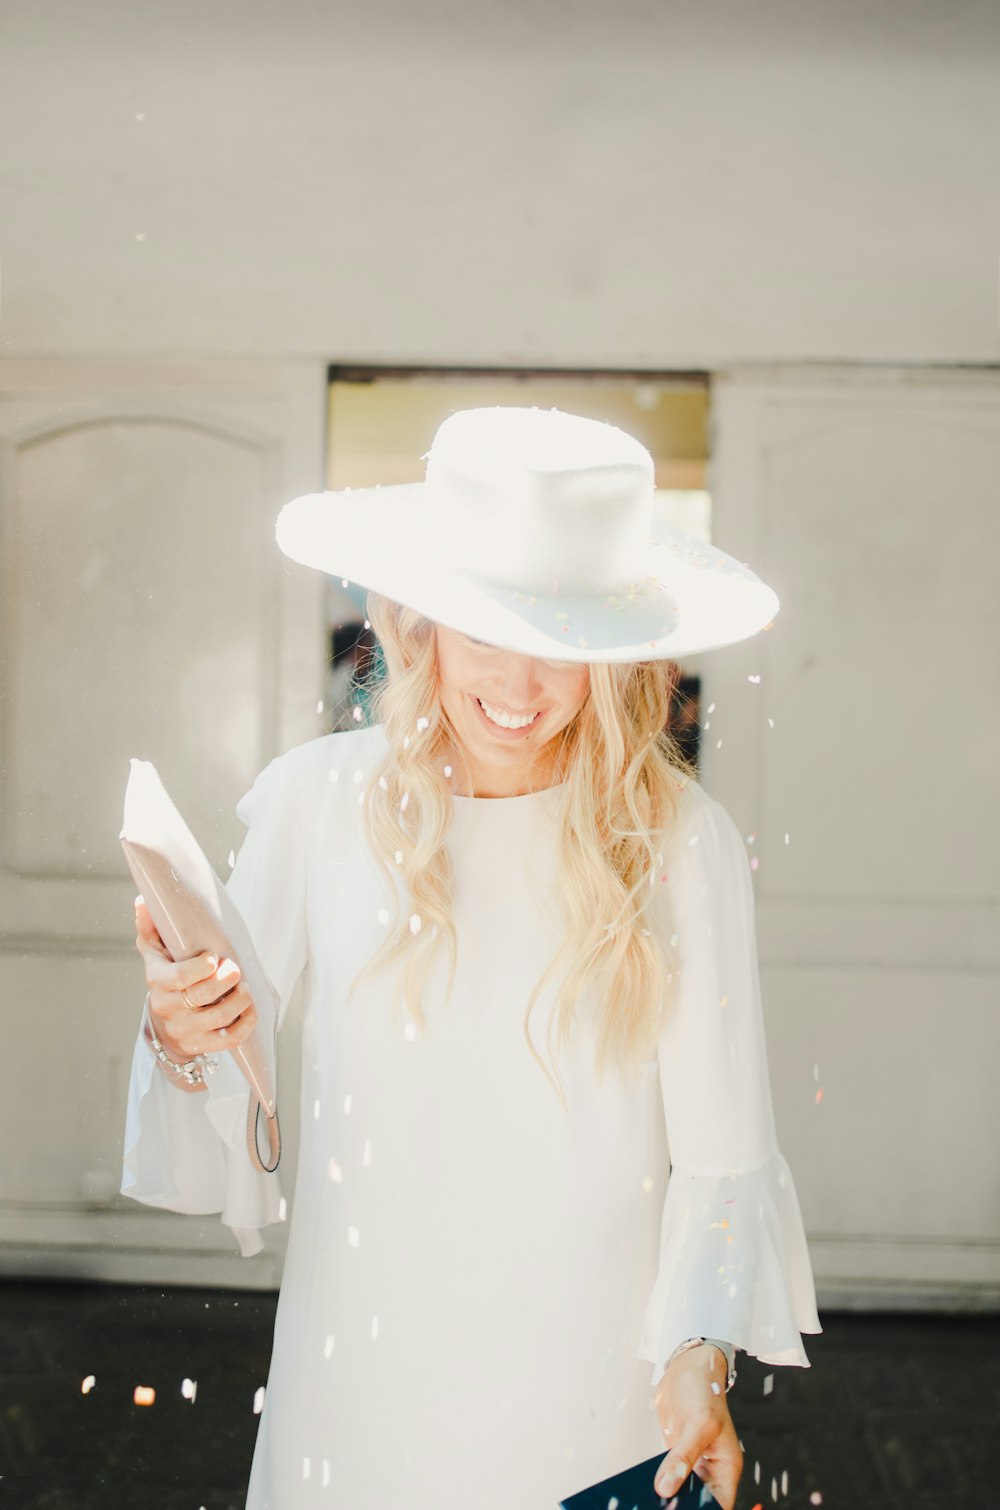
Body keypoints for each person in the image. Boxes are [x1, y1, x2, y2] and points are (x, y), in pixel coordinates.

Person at [122, 406, 821, 1510]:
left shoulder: (676, 839)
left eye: (566, 644)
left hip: (595, 1400)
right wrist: (177, 1027)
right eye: (486, 629)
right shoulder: (317, 804)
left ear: (618, 655)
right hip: (358, 1379)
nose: (520, 684)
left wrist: (699, 1353)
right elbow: (227, 1103)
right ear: (419, 624)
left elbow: (723, 1153)